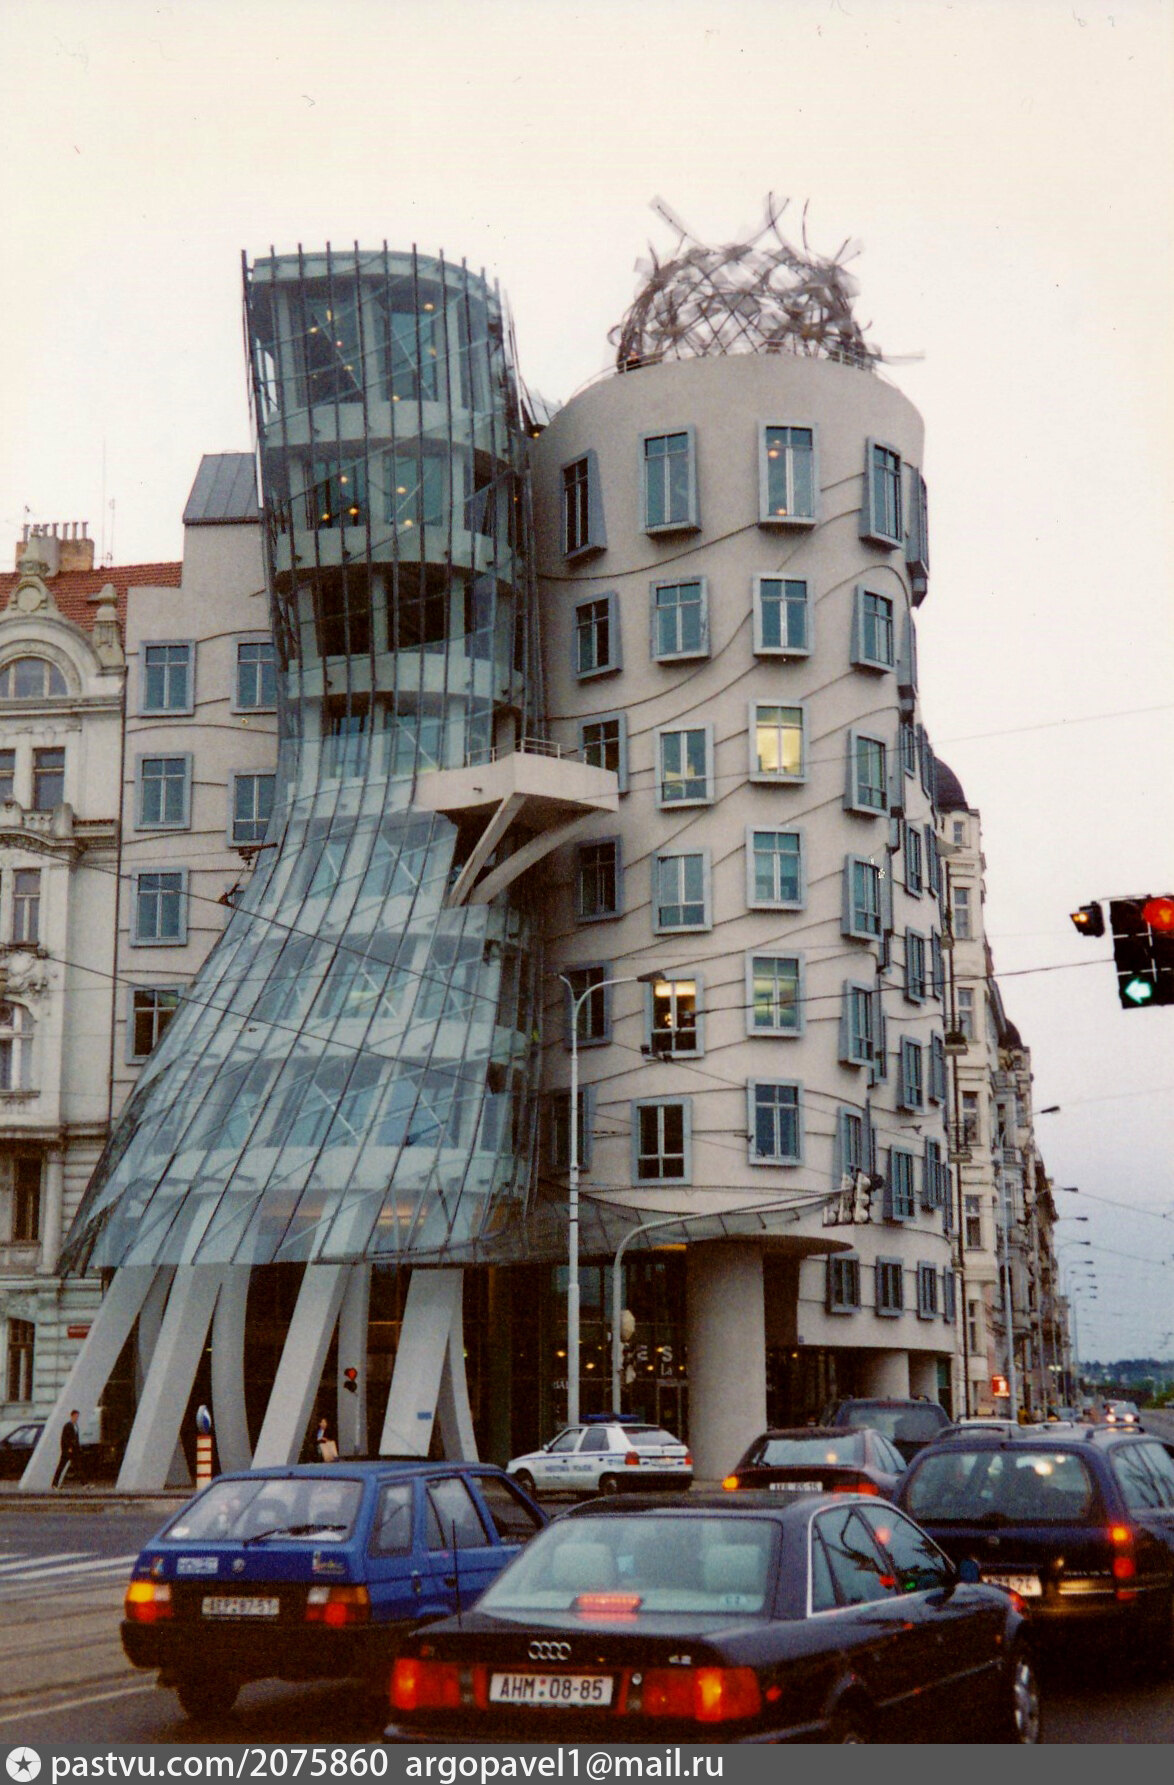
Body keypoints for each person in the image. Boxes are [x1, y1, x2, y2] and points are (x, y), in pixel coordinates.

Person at [53, 1410, 80, 1488]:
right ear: (72, 1416)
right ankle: (54, 1484)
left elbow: (76, 1438)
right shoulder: (68, 1426)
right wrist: (68, 1448)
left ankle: (84, 1483)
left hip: (74, 1450)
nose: (77, 1418)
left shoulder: (75, 1426)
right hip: (68, 1451)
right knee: (61, 1467)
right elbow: (65, 1438)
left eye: (77, 1416)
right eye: (76, 1416)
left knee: (78, 1466)